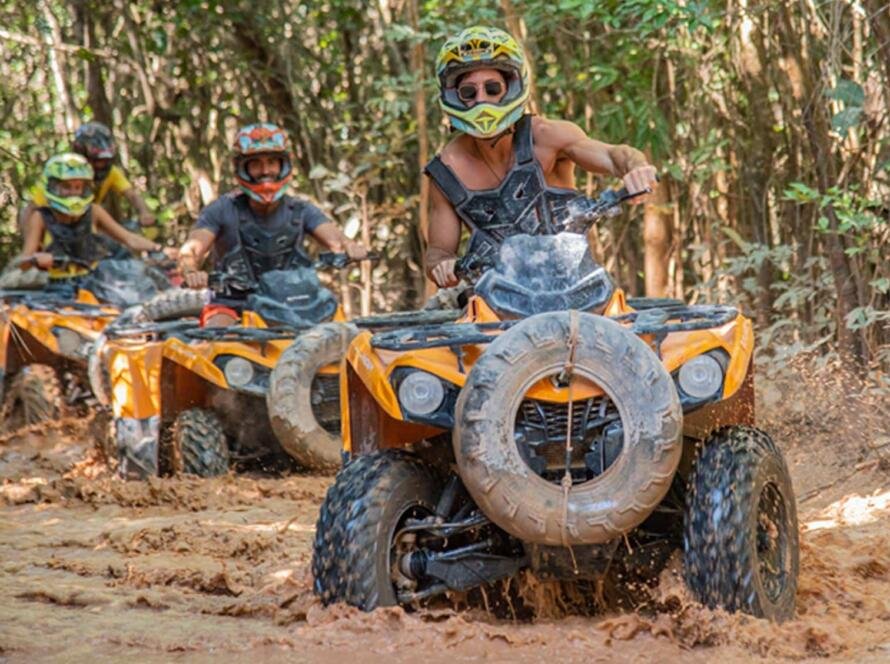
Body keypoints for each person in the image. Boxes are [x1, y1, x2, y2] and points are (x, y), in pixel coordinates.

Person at [424, 26, 659, 288]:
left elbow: (615, 155)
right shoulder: (447, 170)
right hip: (494, 297)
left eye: (493, 88)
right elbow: (437, 253)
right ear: (454, 97)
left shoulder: (547, 137)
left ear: (511, 88)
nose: (482, 101)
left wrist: (637, 169)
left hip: (575, 285)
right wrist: (443, 267)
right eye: (469, 92)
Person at [177, 123, 367, 326]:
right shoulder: (221, 209)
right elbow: (192, 250)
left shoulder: (301, 210)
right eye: (256, 163)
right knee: (219, 338)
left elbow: (336, 239)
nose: (265, 170)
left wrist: (350, 247)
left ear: (283, 165)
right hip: (233, 305)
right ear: (242, 168)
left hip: (295, 304)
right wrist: (191, 271)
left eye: (272, 162)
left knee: (343, 336)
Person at [19, 153, 167, 272]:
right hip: (56, 290)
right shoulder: (40, 217)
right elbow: (23, 263)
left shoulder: (94, 211)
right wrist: (36, 259)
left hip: (93, 284)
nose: (73, 193)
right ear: (53, 187)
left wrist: (159, 249)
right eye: (66, 187)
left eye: (78, 187)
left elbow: (129, 239)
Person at [20, 122, 156, 234]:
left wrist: (144, 213)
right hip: (55, 234)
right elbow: (30, 210)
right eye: (96, 161)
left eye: (105, 161)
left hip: (86, 230)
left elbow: (131, 195)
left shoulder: (111, 173)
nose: (100, 166)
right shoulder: (60, 173)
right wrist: (31, 243)